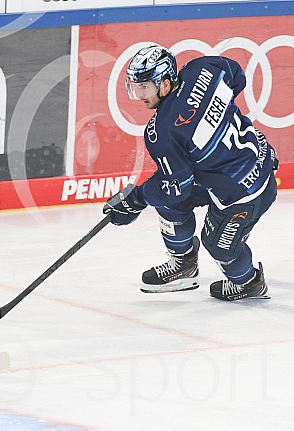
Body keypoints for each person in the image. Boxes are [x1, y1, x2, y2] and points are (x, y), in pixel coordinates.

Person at [103, 44, 278, 301]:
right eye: (135, 87)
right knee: (167, 199)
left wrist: (136, 199)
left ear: (164, 82)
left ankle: (249, 283)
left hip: (246, 192)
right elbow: (236, 75)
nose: (139, 94)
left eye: (144, 87)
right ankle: (183, 265)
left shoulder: (162, 131)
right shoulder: (204, 68)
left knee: (218, 245)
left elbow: (176, 186)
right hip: (257, 158)